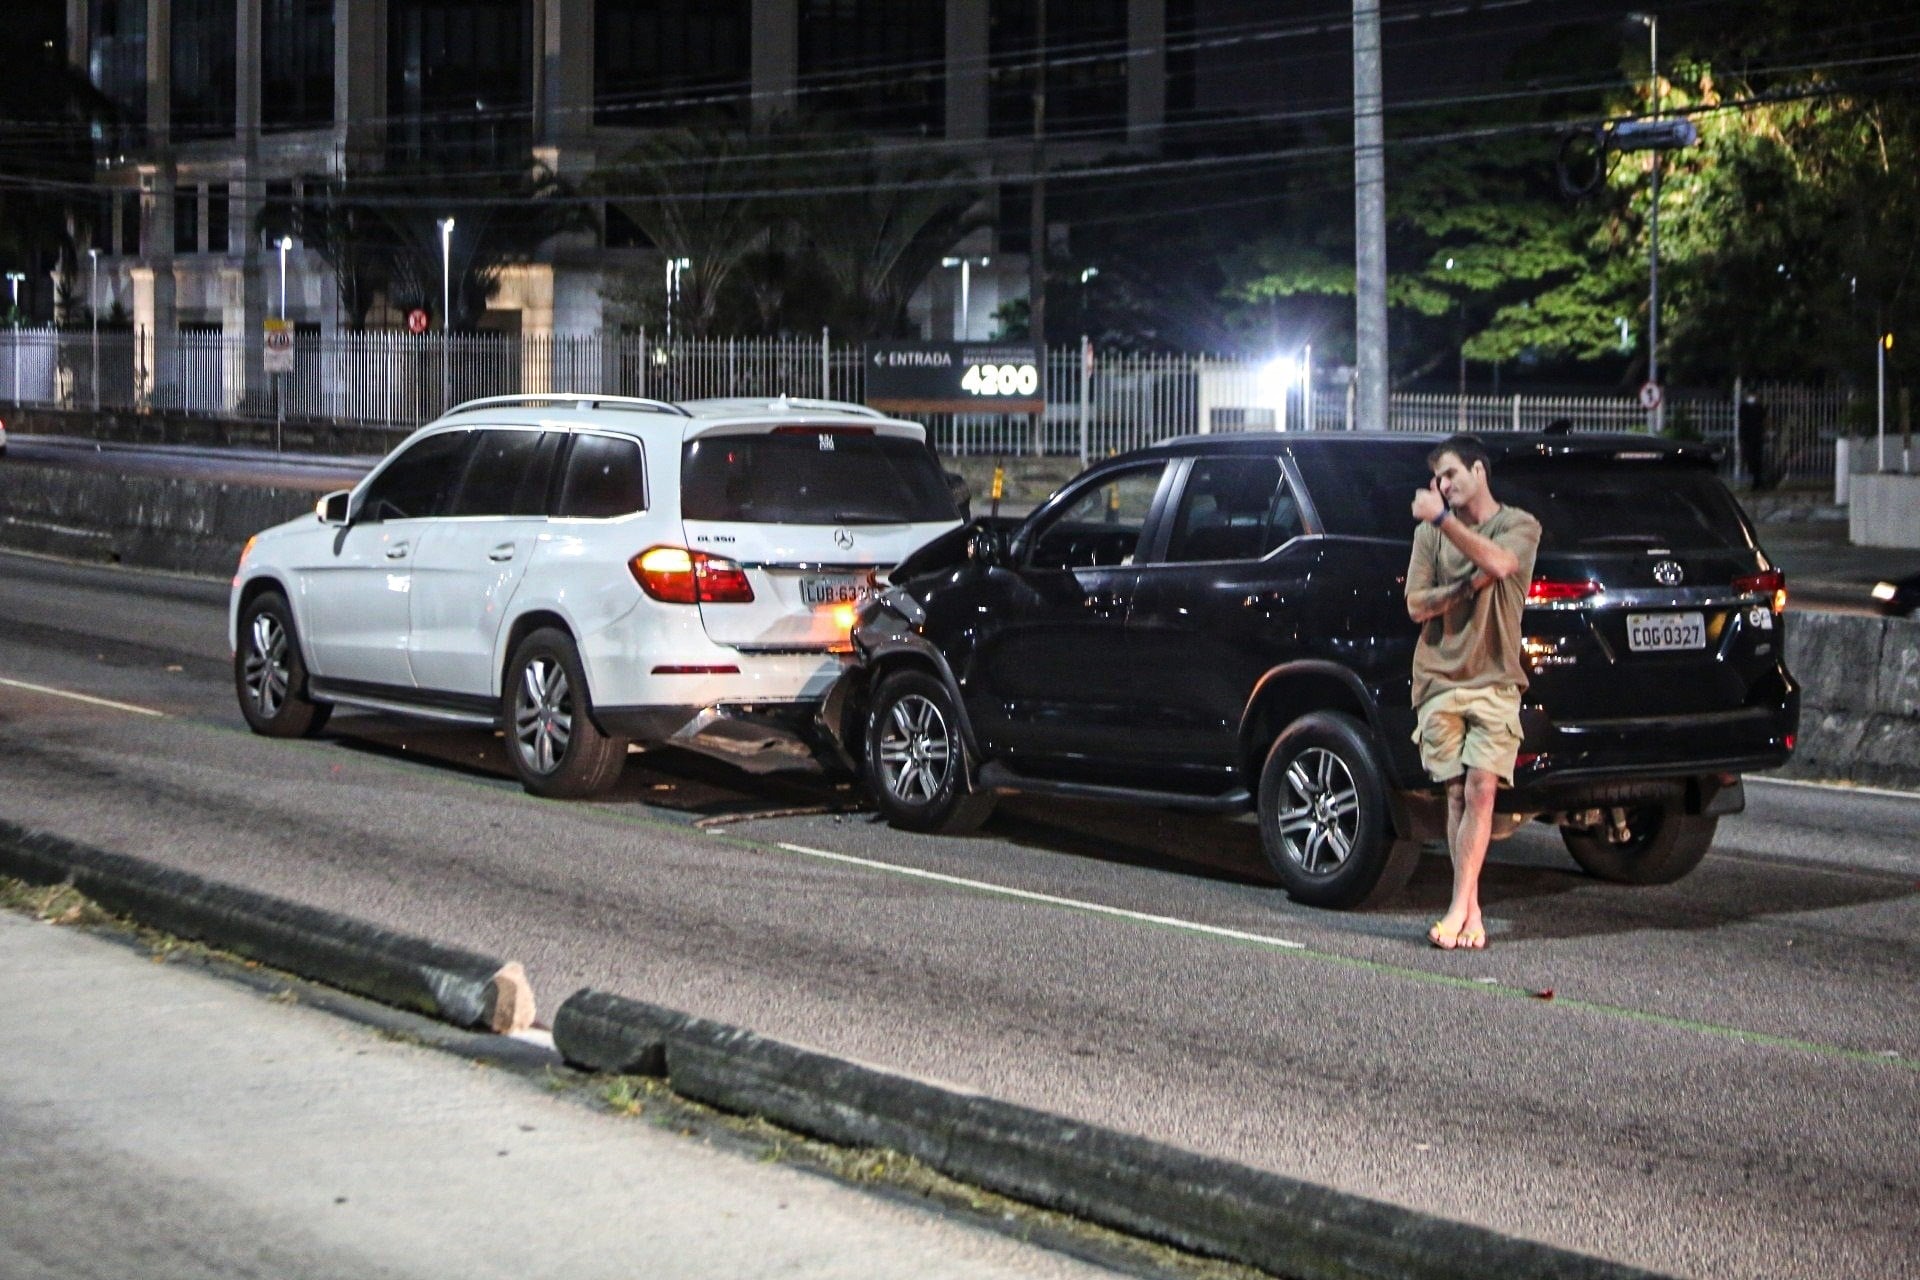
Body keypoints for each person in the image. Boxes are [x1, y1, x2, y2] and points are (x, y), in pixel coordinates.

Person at [1404, 435, 1541, 950]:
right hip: (1440, 675)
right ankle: (1472, 909)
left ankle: (1458, 906)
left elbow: (1502, 564)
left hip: (1496, 675)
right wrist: (1465, 587)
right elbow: (1417, 605)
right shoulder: (1428, 537)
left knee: (1483, 788)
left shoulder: (1519, 525)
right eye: (1438, 480)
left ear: (1479, 471)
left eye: (1452, 475)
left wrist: (1443, 521)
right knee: (1457, 791)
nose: (1443, 486)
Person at [1737, 394, 1770, 490]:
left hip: (1757, 436)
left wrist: (1765, 432)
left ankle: (1757, 481)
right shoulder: (1744, 407)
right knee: (1750, 458)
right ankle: (1756, 479)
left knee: (1757, 459)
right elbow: (1741, 420)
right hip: (1748, 436)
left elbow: (1764, 420)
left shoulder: (1759, 407)